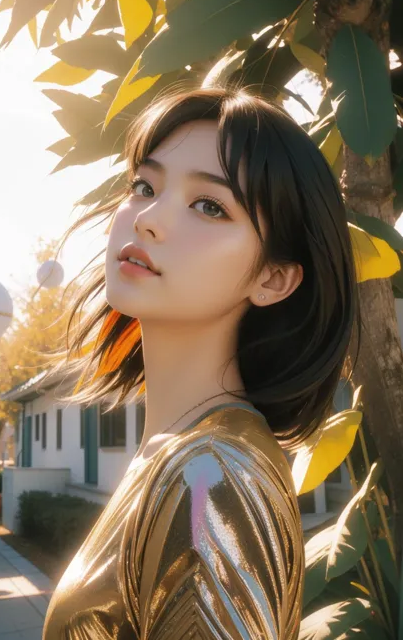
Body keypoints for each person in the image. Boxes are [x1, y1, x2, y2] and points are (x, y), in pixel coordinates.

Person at [42, 87, 361, 639]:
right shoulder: (190, 454)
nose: (148, 219)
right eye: (145, 186)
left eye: (209, 205)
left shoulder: (210, 478)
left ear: (273, 278)